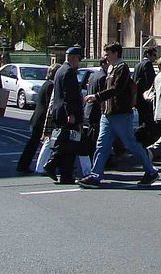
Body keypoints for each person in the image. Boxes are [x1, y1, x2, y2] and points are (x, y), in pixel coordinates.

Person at [79, 43, 159, 188]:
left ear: (116, 53)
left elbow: (116, 89)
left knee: (131, 144)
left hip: (121, 114)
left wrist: (97, 96)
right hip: (108, 114)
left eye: (108, 53)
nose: (105, 56)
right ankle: (95, 175)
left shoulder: (122, 68)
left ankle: (151, 170)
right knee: (102, 144)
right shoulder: (112, 69)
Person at [50, 46, 86, 184]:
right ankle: (55, 167)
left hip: (60, 112)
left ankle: (63, 173)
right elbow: (68, 95)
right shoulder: (69, 71)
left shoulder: (60, 70)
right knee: (69, 145)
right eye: (78, 59)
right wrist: (71, 113)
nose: (79, 63)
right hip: (68, 114)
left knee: (65, 144)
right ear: (73, 58)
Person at [17, 63, 58, 173]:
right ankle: (26, 165)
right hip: (41, 119)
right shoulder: (51, 86)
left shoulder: (46, 84)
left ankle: (23, 165)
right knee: (36, 143)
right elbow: (50, 103)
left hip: (37, 118)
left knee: (33, 143)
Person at [82, 52, 110, 166]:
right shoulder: (103, 76)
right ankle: (95, 160)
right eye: (108, 63)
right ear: (103, 64)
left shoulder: (93, 75)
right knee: (96, 137)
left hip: (89, 109)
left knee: (91, 135)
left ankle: (90, 158)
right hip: (96, 109)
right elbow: (102, 95)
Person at [134, 46, 158, 129]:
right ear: (148, 55)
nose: (155, 58)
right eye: (154, 55)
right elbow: (150, 80)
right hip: (145, 96)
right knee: (147, 119)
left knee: (141, 118)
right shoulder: (147, 64)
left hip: (138, 97)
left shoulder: (138, 65)